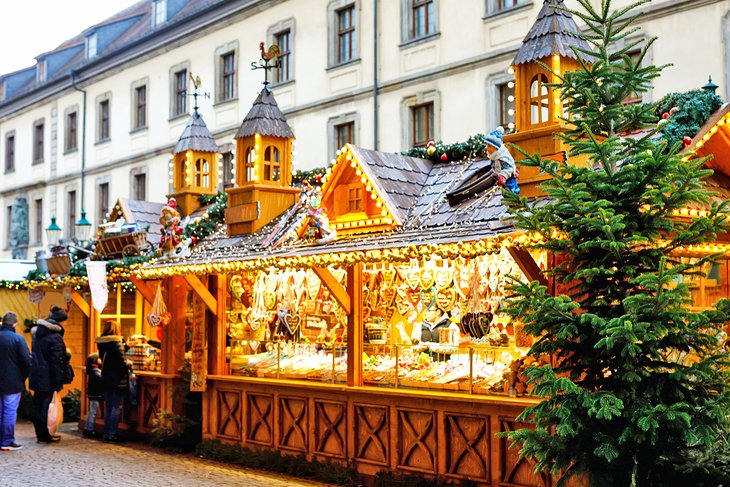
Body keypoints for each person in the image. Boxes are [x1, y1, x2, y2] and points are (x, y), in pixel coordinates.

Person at [29, 305, 69, 444]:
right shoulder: (55, 337)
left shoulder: (37, 334)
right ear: (60, 322)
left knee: (38, 405)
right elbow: (56, 361)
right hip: (48, 377)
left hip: (36, 374)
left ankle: (40, 434)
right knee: (45, 407)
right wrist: (58, 382)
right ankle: (44, 436)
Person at [0, 311, 31, 451]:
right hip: (13, 382)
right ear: (15, 323)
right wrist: (23, 376)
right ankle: (6, 441)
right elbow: (26, 361)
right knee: (9, 412)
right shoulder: (18, 339)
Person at [96, 320, 129, 442]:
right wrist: (129, 364)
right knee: (116, 407)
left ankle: (107, 431)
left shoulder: (102, 343)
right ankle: (112, 433)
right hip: (117, 379)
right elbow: (122, 362)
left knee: (109, 406)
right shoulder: (116, 343)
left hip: (106, 378)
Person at [484, 127, 520, 195]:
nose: (486, 148)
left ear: (496, 147)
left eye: (489, 146)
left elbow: (508, 169)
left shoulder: (502, 157)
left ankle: (515, 201)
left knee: (511, 191)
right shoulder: (494, 156)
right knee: (505, 193)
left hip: (508, 179)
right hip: (502, 180)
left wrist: (503, 176)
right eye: (486, 145)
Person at [82, 353, 104, 438]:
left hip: (92, 393)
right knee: (93, 412)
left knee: (91, 411)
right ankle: (90, 430)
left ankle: (87, 428)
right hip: (95, 393)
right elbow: (101, 379)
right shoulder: (95, 370)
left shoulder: (91, 369)